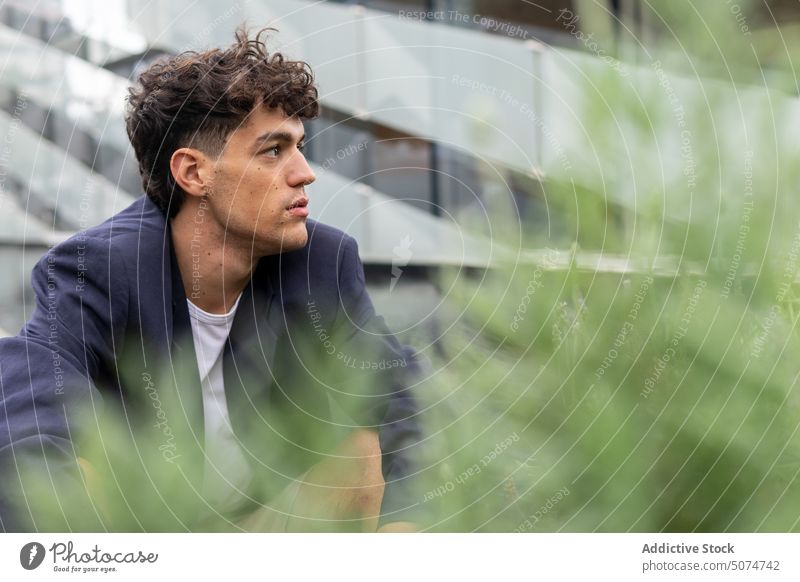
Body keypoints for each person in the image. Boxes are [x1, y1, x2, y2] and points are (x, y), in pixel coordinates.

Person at [0, 27, 422, 532]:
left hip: (262, 522)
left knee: (360, 444)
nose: (306, 172)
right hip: (143, 525)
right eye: (273, 151)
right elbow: (28, 416)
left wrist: (409, 527)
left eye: (300, 147)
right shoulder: (97, 270)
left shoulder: (323, 262)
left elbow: (405, 399)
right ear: (194, 173)